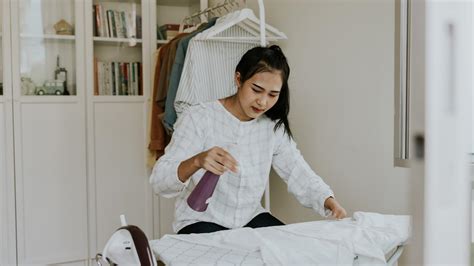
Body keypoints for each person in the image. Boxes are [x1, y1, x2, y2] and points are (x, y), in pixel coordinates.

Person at [150, 45, 346, 234]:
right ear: (238, 79)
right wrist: (197, 161)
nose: (263, 102)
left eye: (273, 94)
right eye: (256, 89)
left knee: (290, 250)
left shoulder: (272, 127)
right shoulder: (199, 117)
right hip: (201, 220)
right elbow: (160, 181)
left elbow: (297, 170)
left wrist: (327, 200)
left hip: (250, 219)